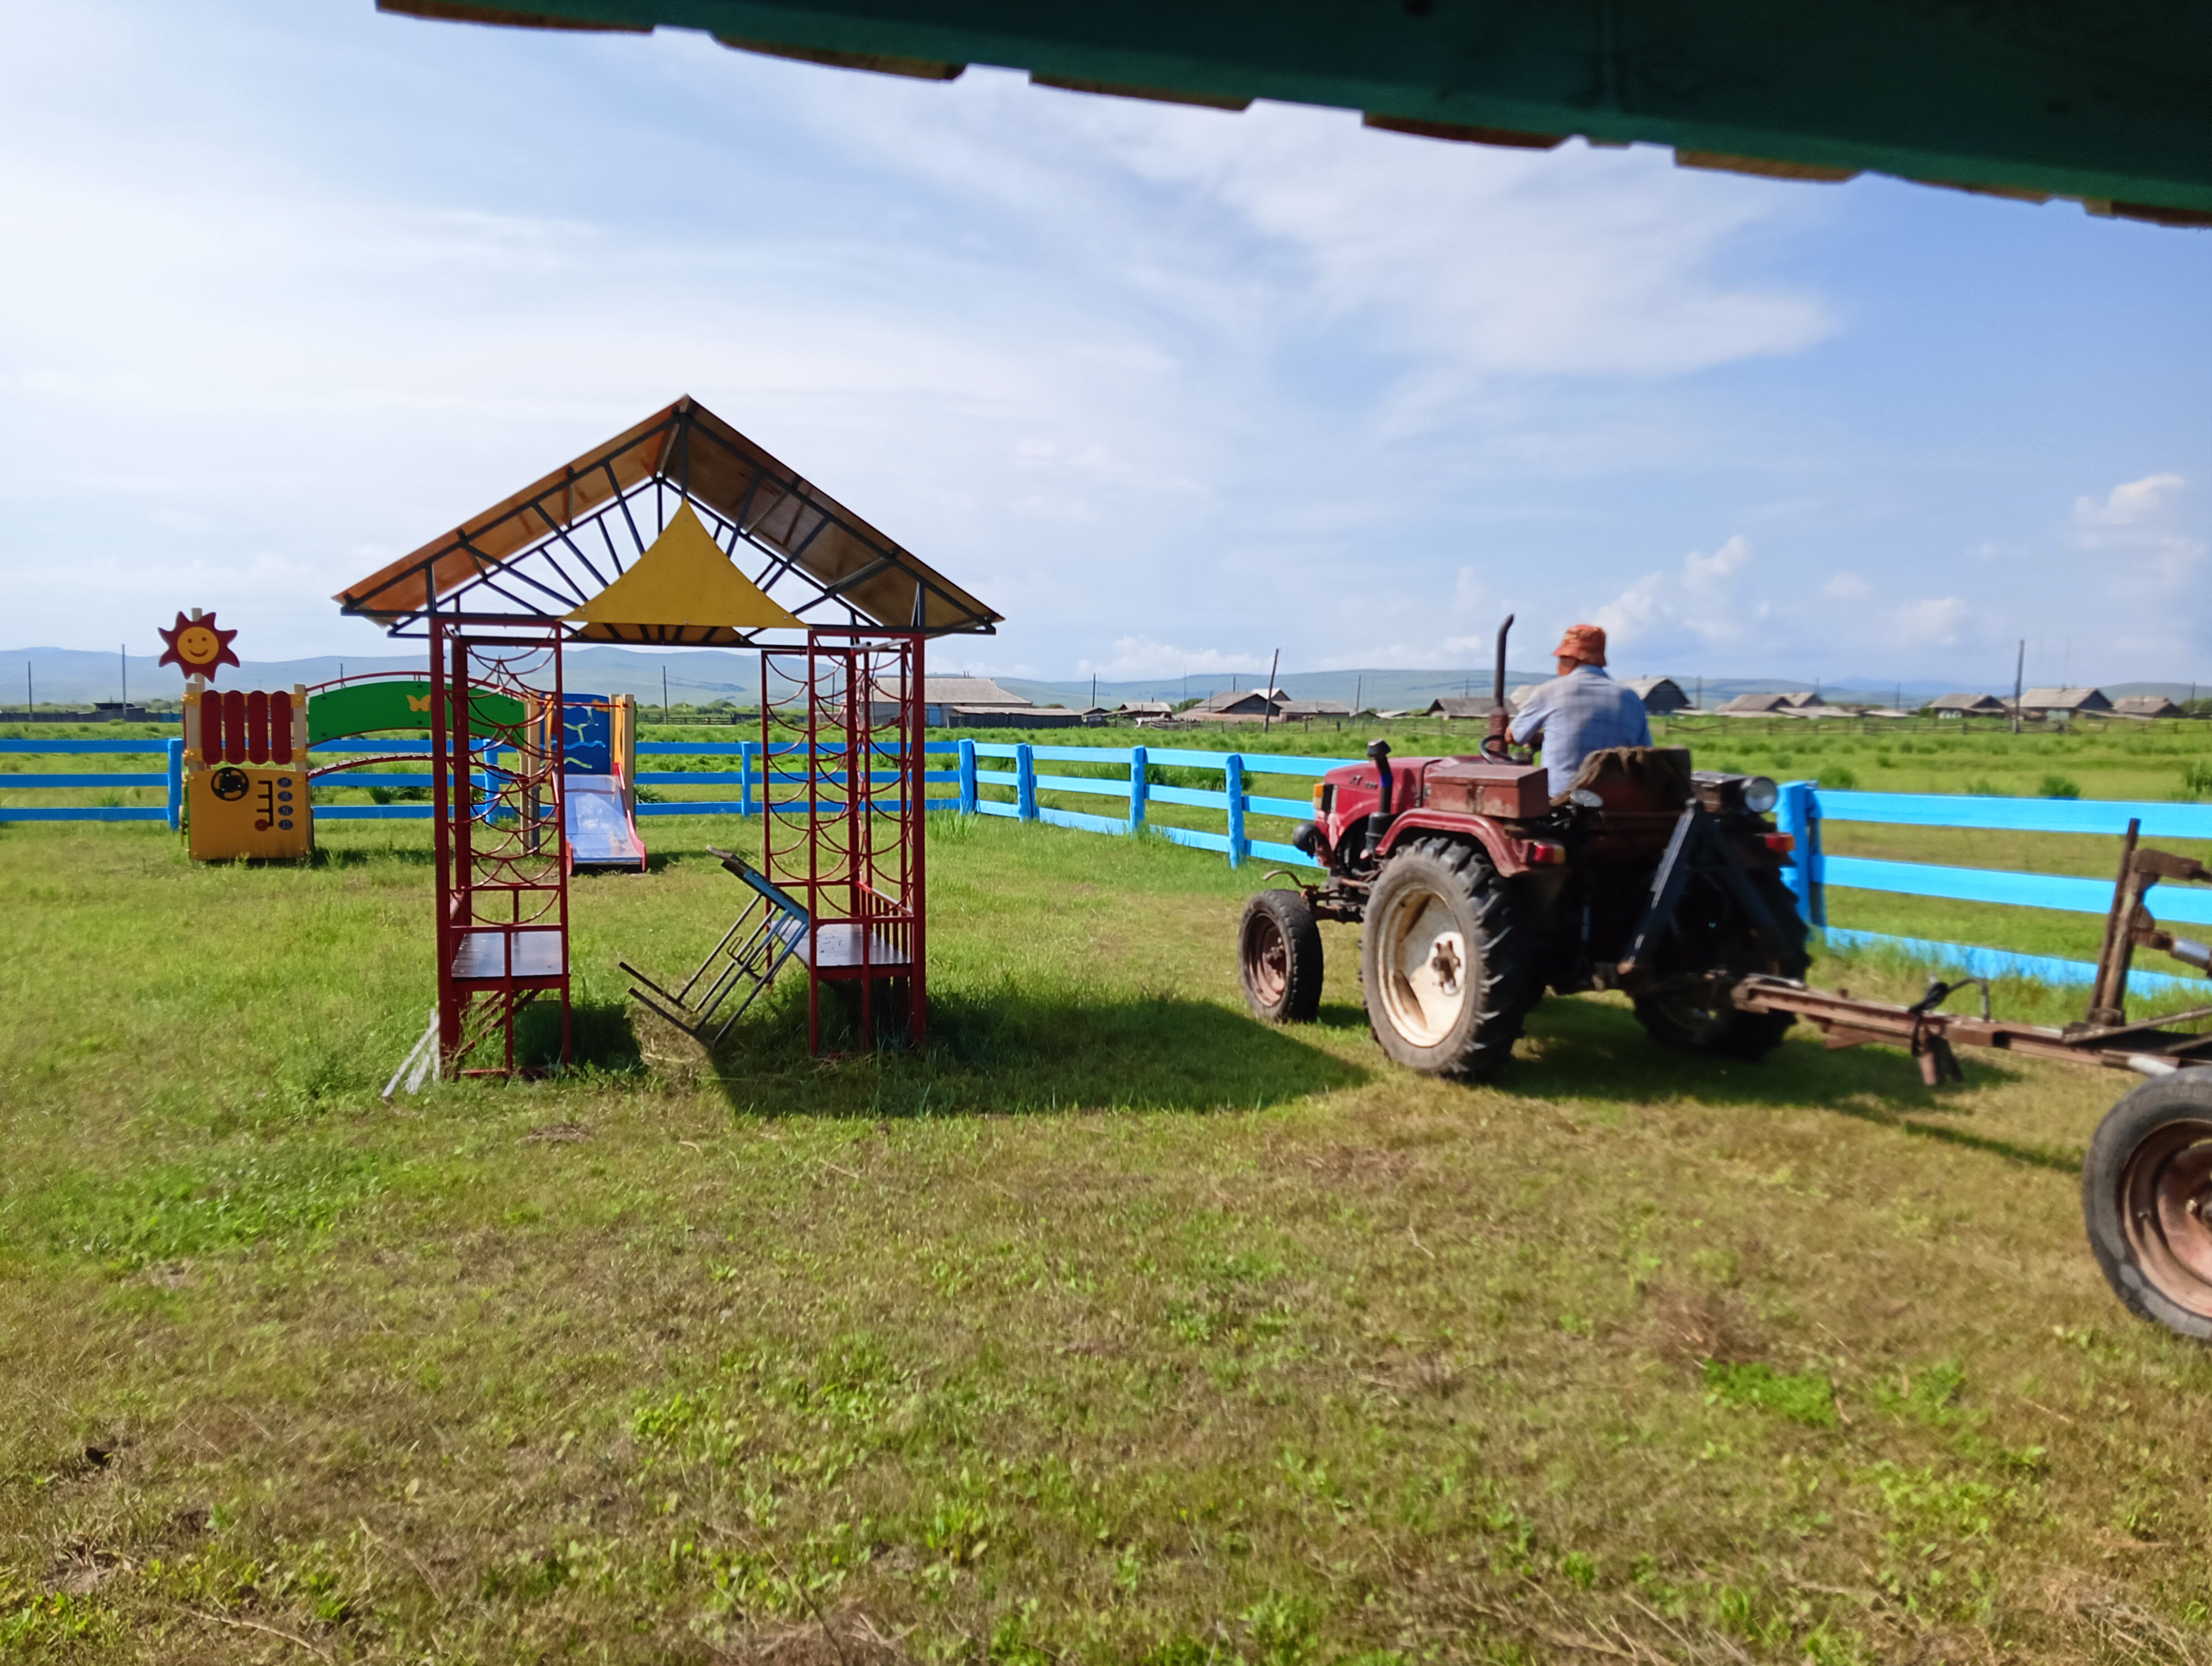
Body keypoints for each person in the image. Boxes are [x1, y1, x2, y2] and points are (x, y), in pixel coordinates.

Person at [1488, 623, 1651, 797]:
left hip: (1562, 800)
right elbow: (1646, 752)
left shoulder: (1551, 691)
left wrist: (1535, 737)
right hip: (1615, 802)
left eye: (1560, 659)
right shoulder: (1631, 698)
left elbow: (1514, 736)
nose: (1558, 666)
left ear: (1571, 659)